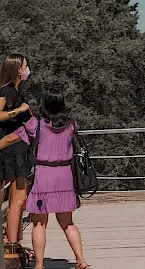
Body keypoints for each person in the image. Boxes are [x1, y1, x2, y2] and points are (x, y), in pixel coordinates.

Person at [0, 92, 89, 269]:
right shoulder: (71, 124)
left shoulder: (36, 125)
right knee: (68, 223)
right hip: (65, 176)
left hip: (43, 175)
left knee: (39, 222)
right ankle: (80, 260)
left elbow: (11, 139)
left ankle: (39, 264)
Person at [0, 53, 34, 261]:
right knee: (18, 200)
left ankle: (13, 242)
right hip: (9, 150)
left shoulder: (14, 91)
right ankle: (12, 245)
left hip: (16, 149)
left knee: (19, 200)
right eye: (25, 66)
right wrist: (19, 110)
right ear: (17, 70)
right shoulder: (7, 91)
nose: (27, 70)